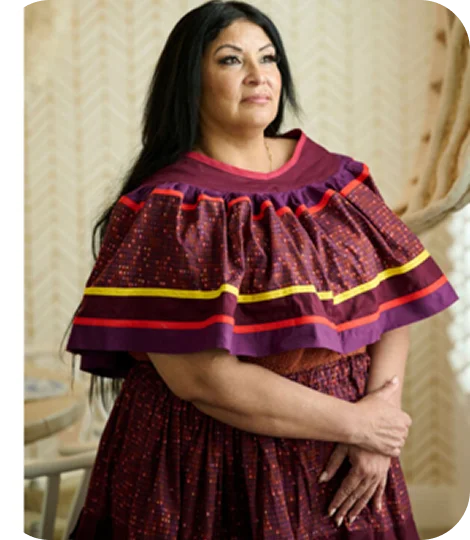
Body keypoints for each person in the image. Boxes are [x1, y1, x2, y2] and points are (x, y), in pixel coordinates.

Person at [64, 1, 459, 538]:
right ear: (190, 80)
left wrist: (380, 417)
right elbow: (200, 378)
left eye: (268, 57)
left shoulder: (337, 181)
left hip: (350, 462)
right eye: (231, 60)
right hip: (207, 469)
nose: (258, 75)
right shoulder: (170, 208)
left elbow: (391, 304)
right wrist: (359, 424)